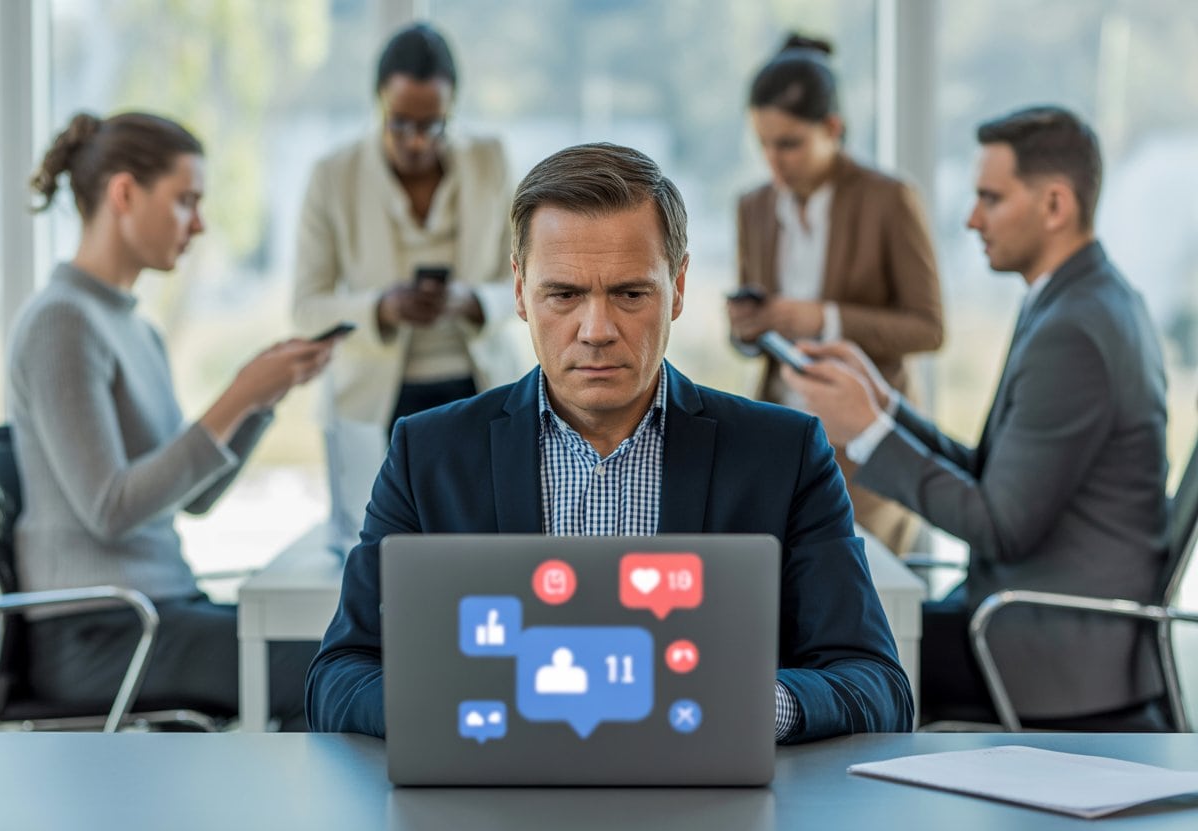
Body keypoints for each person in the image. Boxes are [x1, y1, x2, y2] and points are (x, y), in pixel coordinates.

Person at [306, 142, 913, 742]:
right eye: (564, 295)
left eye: (629, 294)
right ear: (520, 291)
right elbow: (340, 675)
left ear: (677, 286)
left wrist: (753, 705)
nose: (595, 331)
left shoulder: (784, 454)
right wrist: (459, 709)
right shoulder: (427, 453)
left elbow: (877, 685)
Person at [786, 106, 1169, 725]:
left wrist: (870, 433)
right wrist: (886, 408)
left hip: (1051, 647)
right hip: (1035, 618)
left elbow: (1000, 526)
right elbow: (997, 475)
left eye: (990, 198)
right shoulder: (1079, 299)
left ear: (1054, 205)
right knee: (850, 640)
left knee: (843, 662)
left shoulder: (1074, 328)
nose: (971, 218)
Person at [8, 111, 336, 728]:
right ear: (124, 193)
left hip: (160, 611)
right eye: (185, 201)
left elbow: (195, 498)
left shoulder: (136, 329)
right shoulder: (62, 322)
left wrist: (262, 399)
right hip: (100, 632)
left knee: (345, 652)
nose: (199, 223)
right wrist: (235, 395)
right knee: (329, 672)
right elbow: (110, 508)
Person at [291, 22, 522, 550]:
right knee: (380, 558)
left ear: (453, 109)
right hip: (375, 399)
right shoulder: (334, 175)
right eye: (400, 124)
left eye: (433, 125)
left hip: (477, 385)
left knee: (485, 551)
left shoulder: (490, 161)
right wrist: (382, 308)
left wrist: (472, 301)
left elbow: (531, 280)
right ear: (378, 104)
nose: (417, 141)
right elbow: (306, 307)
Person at [728, 33, 944, 555]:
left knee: (858, 587)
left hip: (867, 445)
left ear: (833, 129)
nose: (774, 161)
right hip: (781, 431)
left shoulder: (890, 200)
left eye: (790, 144)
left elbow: (929, 328)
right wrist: (748, 329)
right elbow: (751, 340)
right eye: (764, 144)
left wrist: (821, 318)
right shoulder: (754, 207)